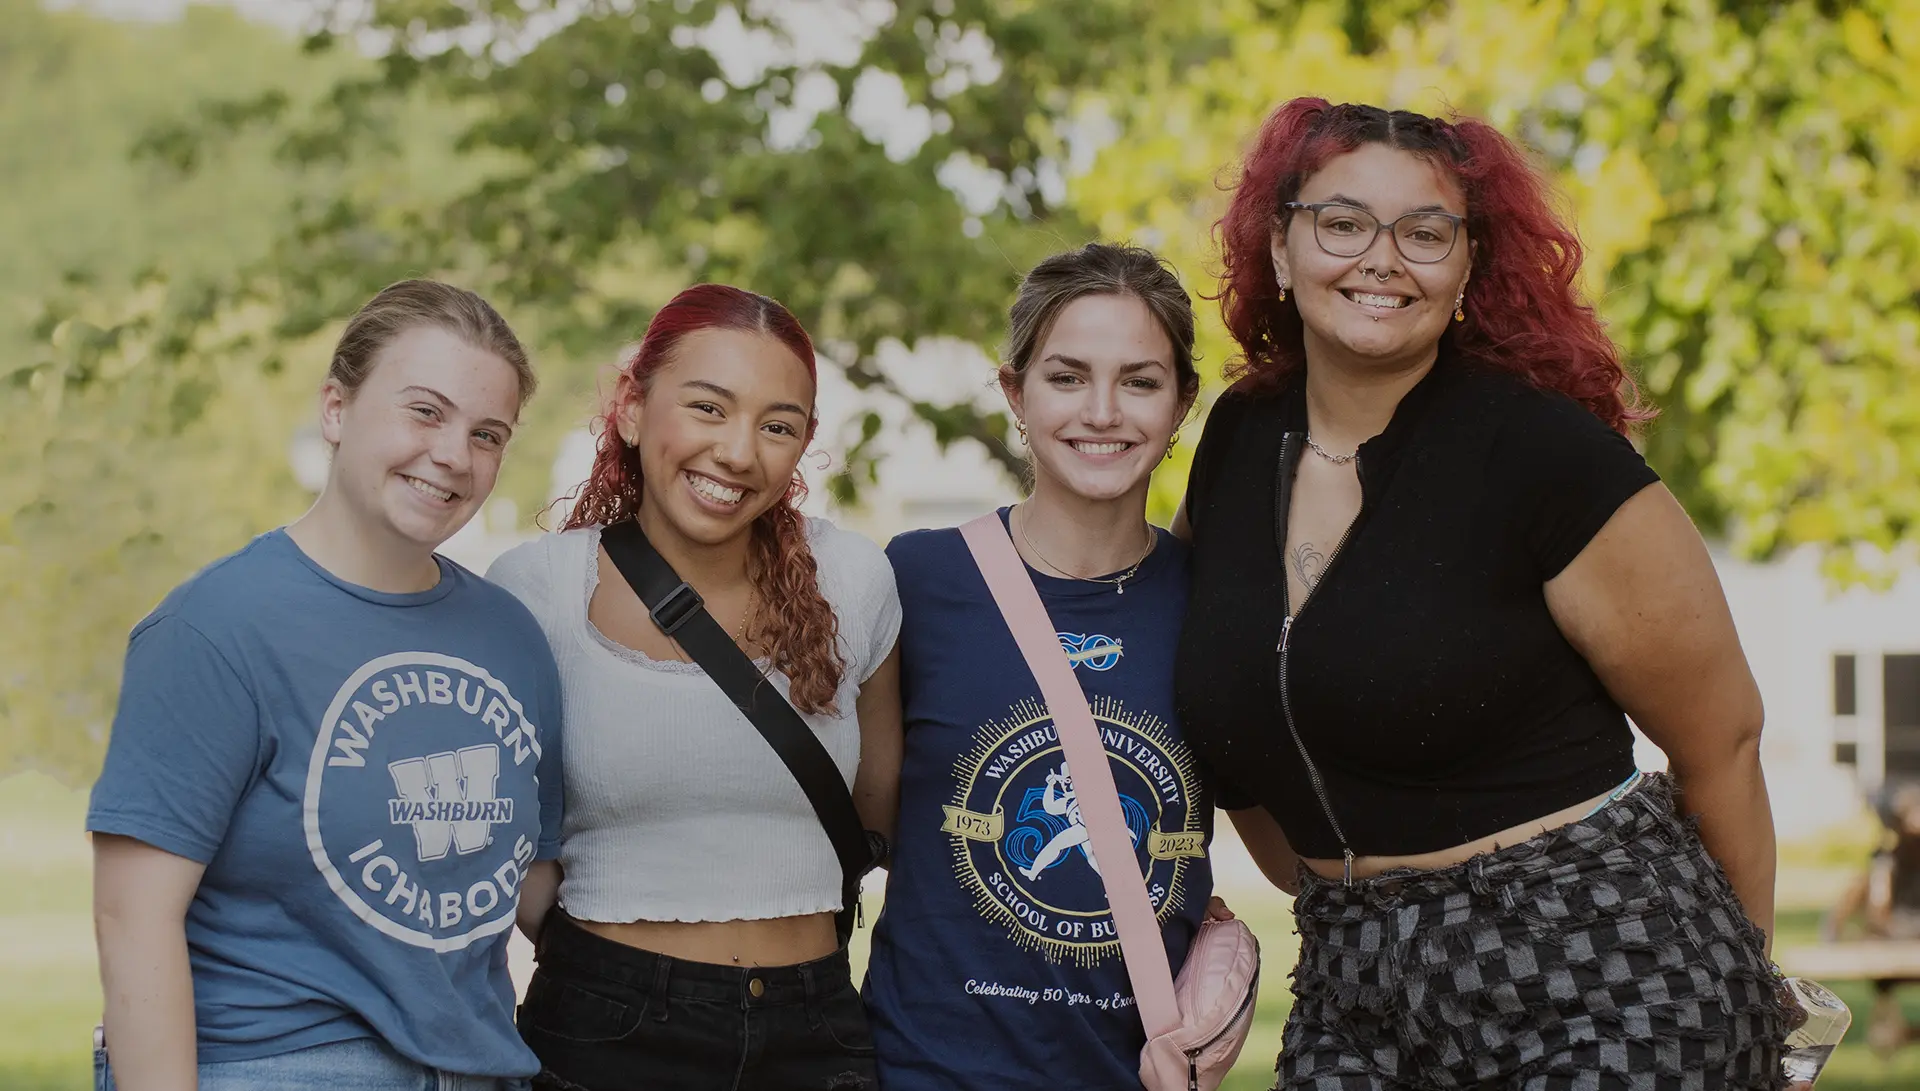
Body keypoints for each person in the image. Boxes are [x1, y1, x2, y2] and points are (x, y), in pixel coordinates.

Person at [1173, 99, 1793, 1089]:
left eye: (1425, 232)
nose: (1383, 258)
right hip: (1352, 976)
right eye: (1342, 221)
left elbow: (1722, 740)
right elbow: (1233, 695)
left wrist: (1761, 1008)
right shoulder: (1240, 437)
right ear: (1280, 249)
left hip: (1606, 972)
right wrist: (1339, 884)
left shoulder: (1546, 456)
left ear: (1466, 269)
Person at [88, 279, 565, 1091]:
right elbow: (134, 918)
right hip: (278, 1066)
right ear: (336, 410)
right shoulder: (216, 628)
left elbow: (534, 889)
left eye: (488, 434)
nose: (455, 453)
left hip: (483, 1066)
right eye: (425, 411)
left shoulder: (510, 637)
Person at [487, 284, 901, 1091]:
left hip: (813, 1026)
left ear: (802, 445)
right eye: (709, 408)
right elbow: (503, 835)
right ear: (633, 411)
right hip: (605, 1023)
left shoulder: (855, 579)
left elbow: (883, 811)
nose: (740, 452)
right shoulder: (535, 590)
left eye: (776, 426)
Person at [866, 242, 1223, 1090]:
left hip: (1137, 1073)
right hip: (927, 1069)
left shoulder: (1219, 602)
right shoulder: (915, 577)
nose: (1103, 411)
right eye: (1067, 377)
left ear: (1180, 405)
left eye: (1139, 381)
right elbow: (866, 822)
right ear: (1014, 391)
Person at [1822, 779, 1920, 1052]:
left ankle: (1901, 1032)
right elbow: (1878, 908)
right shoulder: (1886, 860)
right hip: (1897, 940)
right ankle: (1896, 1029)